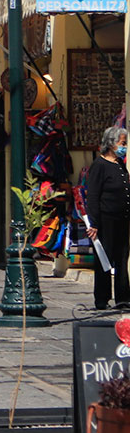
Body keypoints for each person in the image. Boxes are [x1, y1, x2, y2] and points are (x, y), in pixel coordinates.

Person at [85, 126, 130, 310]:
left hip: (122, 219)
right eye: (122, 143)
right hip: (105, 220)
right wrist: (94, 223)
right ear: (111, 144)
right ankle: (102, 298)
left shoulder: (119, 164)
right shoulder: (99, 165)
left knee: (121, 258)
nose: (124, 147)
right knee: (104, 259)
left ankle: (123, 297)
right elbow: (93, 195)